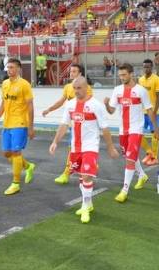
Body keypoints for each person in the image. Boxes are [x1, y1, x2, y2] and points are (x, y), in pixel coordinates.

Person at [49, 77, 119, 223]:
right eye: (74, 88)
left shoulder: (96, 105)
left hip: (90, 147)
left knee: (87, 176)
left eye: (79, 88)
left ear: (86, 87)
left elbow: (104, 128)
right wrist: (55, 142)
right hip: (76, 148)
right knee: (81, 177)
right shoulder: (70, 105)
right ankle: (89, 204)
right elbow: (64, 125)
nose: (76, 91)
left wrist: (111, 147)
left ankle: (85, 207)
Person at [104, 63, 159, 203]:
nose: (122, 78)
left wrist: (156, 129)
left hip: (136, 129)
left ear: (131, 74)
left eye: (124, 75)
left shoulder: (141, 91)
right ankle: (142, 175)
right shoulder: (117, 90)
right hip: (123, 130)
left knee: (129, 159)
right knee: (129, 157)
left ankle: (124, 190)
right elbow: (111, 111)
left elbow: (149, 110)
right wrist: (106, 104)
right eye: (120, 75)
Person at [0, 58, 36, 195]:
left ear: (18, 69)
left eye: (11, 67)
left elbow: (30, 107)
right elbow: (3, 104)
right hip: (7, 123)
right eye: (8, 67)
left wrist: (30, 126)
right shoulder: (4, 84)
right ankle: (28, 166)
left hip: (20, 122)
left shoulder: (24, 85)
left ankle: (16, 183)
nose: (9, 70)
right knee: (7, 153)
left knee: (16, 152)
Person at [42, 64, 93, 184]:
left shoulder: (87, 88)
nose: (71, 73)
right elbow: (61, 101)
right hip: (73, 125)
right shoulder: (67, 87)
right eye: (71, 71)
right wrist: (49, 109)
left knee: (77, 149)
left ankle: (69, 172)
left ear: (80, 74)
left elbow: (89, 106)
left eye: (74, 71)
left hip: (84, 126)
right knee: (73, 149)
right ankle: (78, 170)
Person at [138, 59, 159, 166]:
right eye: (144, 67)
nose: (146, 69)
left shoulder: (157, 79)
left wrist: (155, 111)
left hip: (153, 112)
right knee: (138, 133)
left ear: (152, 67)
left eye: (148, 67)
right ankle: (149, 152)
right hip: (142, 112)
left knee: (154, 134)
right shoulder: (140, 80)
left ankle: (155, 158)